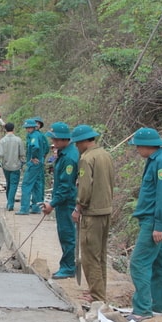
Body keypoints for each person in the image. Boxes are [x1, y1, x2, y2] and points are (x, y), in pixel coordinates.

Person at [126, 128, 162, 322]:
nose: (137, 149)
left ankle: (142, 309)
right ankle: (160, 306)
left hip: (153, 221)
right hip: (151, 220)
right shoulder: (155, 161)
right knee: (158, 263)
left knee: (139, 263)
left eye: (139, 146)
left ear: (149, 145)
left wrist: (159, 225)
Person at [70, 125, 114, 302]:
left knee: (89, 255)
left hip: (92, 212)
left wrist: (78, 208)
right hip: (106, 209)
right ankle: (98, 290)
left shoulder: (87, 159)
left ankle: (97, 295)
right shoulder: (106, 155)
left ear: (82, 142)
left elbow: (85, 187)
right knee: (100, 254)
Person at [41, 122, 79, 279]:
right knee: (64, 233)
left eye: (56, 140)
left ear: (65, 140)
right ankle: (66, 264)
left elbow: (66, 186)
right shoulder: (63, 154)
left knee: (67, 234)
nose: (54, 143)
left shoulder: (69, 158)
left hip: (67, 202)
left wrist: (52, 204)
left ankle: (69, 267)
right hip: (63, 200)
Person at [16, 119, 45, 215]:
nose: (27, 129)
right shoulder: (39, 135)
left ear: (33, 127)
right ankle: (36, 208)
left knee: (26, 185)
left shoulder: (34, 136)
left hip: (34, 164)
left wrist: (34, 157)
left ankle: (24, 208)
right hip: (40, 163)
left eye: (29, 127)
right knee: (37, 185)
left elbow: (35, 147)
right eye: (27, 128)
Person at [0, 122, 25, 211]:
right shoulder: (18, 140)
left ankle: (9, 202)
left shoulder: (2, 140)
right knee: (14, 184)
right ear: (13, 129)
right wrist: (22, 162)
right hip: (16, 166)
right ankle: (10, 203)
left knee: (8, 183)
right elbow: (22, 154)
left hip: (6, 166)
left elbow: (0, 154)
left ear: (5, 129)